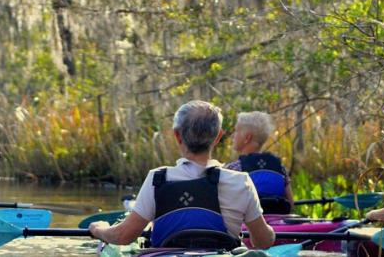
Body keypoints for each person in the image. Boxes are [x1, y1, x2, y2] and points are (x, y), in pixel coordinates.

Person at [89, 101, 275, 250]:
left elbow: (123, 236)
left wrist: (99, 230)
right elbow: (263, 242)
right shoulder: (241, 181)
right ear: (218, 137)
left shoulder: (157, 179)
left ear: (177, 136)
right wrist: (270, 232)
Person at [225, 111, 295, 214]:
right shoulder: (279, 166)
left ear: (247, 138)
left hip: (248, 226)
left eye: (236, 131)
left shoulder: (232, 169)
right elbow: (291, 204)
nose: (232, 136)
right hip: (278, 225)